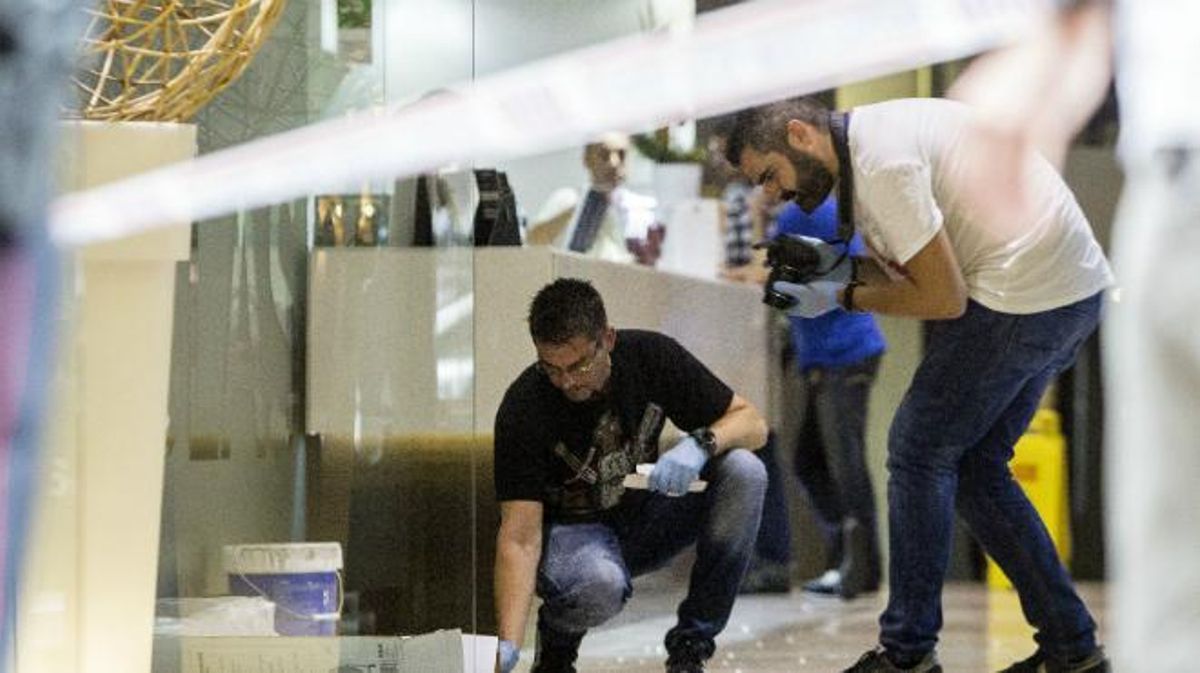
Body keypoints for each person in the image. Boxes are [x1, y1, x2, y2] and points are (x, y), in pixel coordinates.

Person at [724, 96, 1113, 672]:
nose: (772, 195)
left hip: (1025, 292)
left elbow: (942, 296)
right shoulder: (865, 156)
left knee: (918, 450)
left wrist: (837, 294)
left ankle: (906, 654)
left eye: (769, 175)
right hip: (1065, 289)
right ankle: (1072, 649)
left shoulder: (881, 163)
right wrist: (832, 265)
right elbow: (921, 263)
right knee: (977, 468)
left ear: (801, 135)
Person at [947, 2, 1200, 671]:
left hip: (1162, 204)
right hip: (1169, 177)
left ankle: (1053, 636)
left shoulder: (889, 154)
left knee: (934, 450)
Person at [491, 278, 768, 673]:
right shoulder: (525, 406)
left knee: (745, 472)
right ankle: (557, 646)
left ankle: (691, 645)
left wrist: (702, 444)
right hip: (573, 541)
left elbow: (753, 425)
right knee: (600, 583)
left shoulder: (651, 356)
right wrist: (507, 647)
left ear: (608, 339)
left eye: (579, 365)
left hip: (645, 519)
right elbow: (519, 538)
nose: (567, 382)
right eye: (550, 368)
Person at [526, 133, 659, 265]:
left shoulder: (643, 208)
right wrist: (583, 206)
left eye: (621, 155)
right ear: (587, 159)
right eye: (604, 155)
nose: (614, 163)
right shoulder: (567, 198)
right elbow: (534, 241)